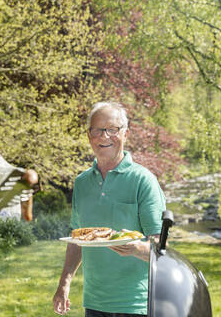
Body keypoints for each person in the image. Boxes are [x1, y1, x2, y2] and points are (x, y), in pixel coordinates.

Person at [52, 102, 165, 317]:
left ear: (126, 134)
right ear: (89, 135)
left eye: (113, 129)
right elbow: (78, 240)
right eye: (98, 130)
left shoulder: (143, 180)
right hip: (94, 303)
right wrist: (64, 284)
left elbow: (161, 248)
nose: (105, 136)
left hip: (136, 304)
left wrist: (136, 248)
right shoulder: (82, 182)